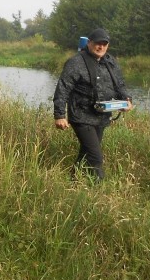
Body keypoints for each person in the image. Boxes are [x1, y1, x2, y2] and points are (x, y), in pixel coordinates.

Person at [53, 27, 133, 182]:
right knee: (95, 156)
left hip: (101, 116)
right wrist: (59, 115)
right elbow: (63, 88)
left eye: (104, 44)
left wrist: (127, 100)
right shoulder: (76, 62)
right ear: (89, 43)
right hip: (81, 116)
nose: (101, 47)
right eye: (98, 43)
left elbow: (120, 85)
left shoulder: (111, 62)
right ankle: (98, 191)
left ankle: (73, 182)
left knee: (86, 152)